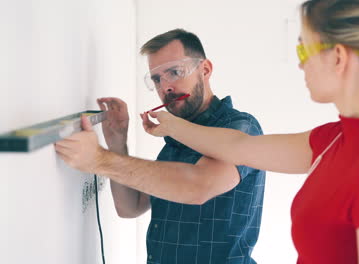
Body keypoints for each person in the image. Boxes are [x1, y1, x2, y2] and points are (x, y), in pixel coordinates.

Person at [141, 1, 359, 263]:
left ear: (338, 57)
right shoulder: (336, 138)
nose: (301, 65)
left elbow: (205, 177)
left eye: (304, 49)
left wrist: (100, 159)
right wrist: (170, 125)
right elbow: (239, 146)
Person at [54, 29, 266, 264]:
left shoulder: (240, 128)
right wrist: (117, 142)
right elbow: (130, 207)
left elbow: (197, 187)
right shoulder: (176, 137)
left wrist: (99, 159)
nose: (165, 87)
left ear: (205, 70)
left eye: (174, 72)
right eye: (156, 79)